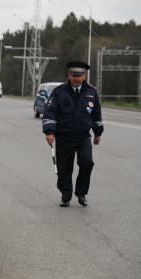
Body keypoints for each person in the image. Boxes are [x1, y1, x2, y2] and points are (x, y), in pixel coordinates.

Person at [42, 61, 104, 207]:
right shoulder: (59, 92)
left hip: (83, 137)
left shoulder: (91, 92)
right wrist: (49, 132)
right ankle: (65, 195)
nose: (76, 78)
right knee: (64, 168)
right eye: (73, 75)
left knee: (87, 163)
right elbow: (50, 112)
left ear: (85, 75)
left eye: (79, 75)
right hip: (64, 136)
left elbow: (96, 114)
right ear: (69, 75)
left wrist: (97, 133)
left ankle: (81, 193)